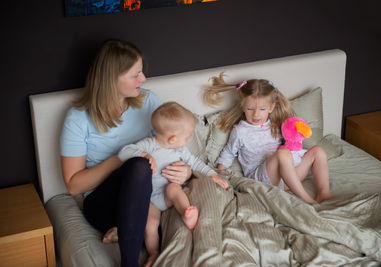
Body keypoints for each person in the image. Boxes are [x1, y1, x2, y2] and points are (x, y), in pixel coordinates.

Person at [60, 39, 193, 267]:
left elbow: (176, 146)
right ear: (112, 78)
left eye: (142, 72)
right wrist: (120, 159)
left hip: (149, 197)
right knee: (137, 165)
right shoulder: (78, 117)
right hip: (103, 204)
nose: (143, 79)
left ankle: (127, 230)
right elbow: (73, 185)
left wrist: (186, 171)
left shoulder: (149, 101)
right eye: (135, 75)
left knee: (149, 176)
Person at [118, 101, 229, 267]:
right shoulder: (149, 145)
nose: (189, 139)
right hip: (151, 200)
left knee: (173, 188)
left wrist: (213, 175)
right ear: (173, 139)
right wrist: (143, 155)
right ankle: (154, 252)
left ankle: (186, 212)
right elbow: (123, 152)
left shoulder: (180, 150)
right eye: (188, 136)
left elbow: (196, 163)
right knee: (150, 224)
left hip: (167, 194)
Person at [203, 73, 333, 204]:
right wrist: (220, 175)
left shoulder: (276, 125)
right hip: (263, 178)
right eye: (250, 109)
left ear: (271, 108)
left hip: (289, 177)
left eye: (262, 109)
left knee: (318, 151)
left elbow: (291, 141)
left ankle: (324, 193)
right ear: (243, 106)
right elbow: (228, 153)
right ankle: (306, 199)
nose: (256, 114)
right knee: (282, 154)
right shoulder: (240, 131)